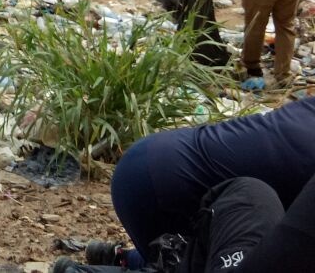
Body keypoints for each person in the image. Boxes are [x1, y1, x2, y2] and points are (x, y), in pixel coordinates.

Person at [56, 95, 315, 271]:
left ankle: (123, 259)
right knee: (190, 262)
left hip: (152, 157)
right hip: (159, 190)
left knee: (244, 219)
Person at [51, 170, 315, 273]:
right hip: (154, 183)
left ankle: (132, 262)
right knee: (254, 194)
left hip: (150, 176)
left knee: (253, 194)